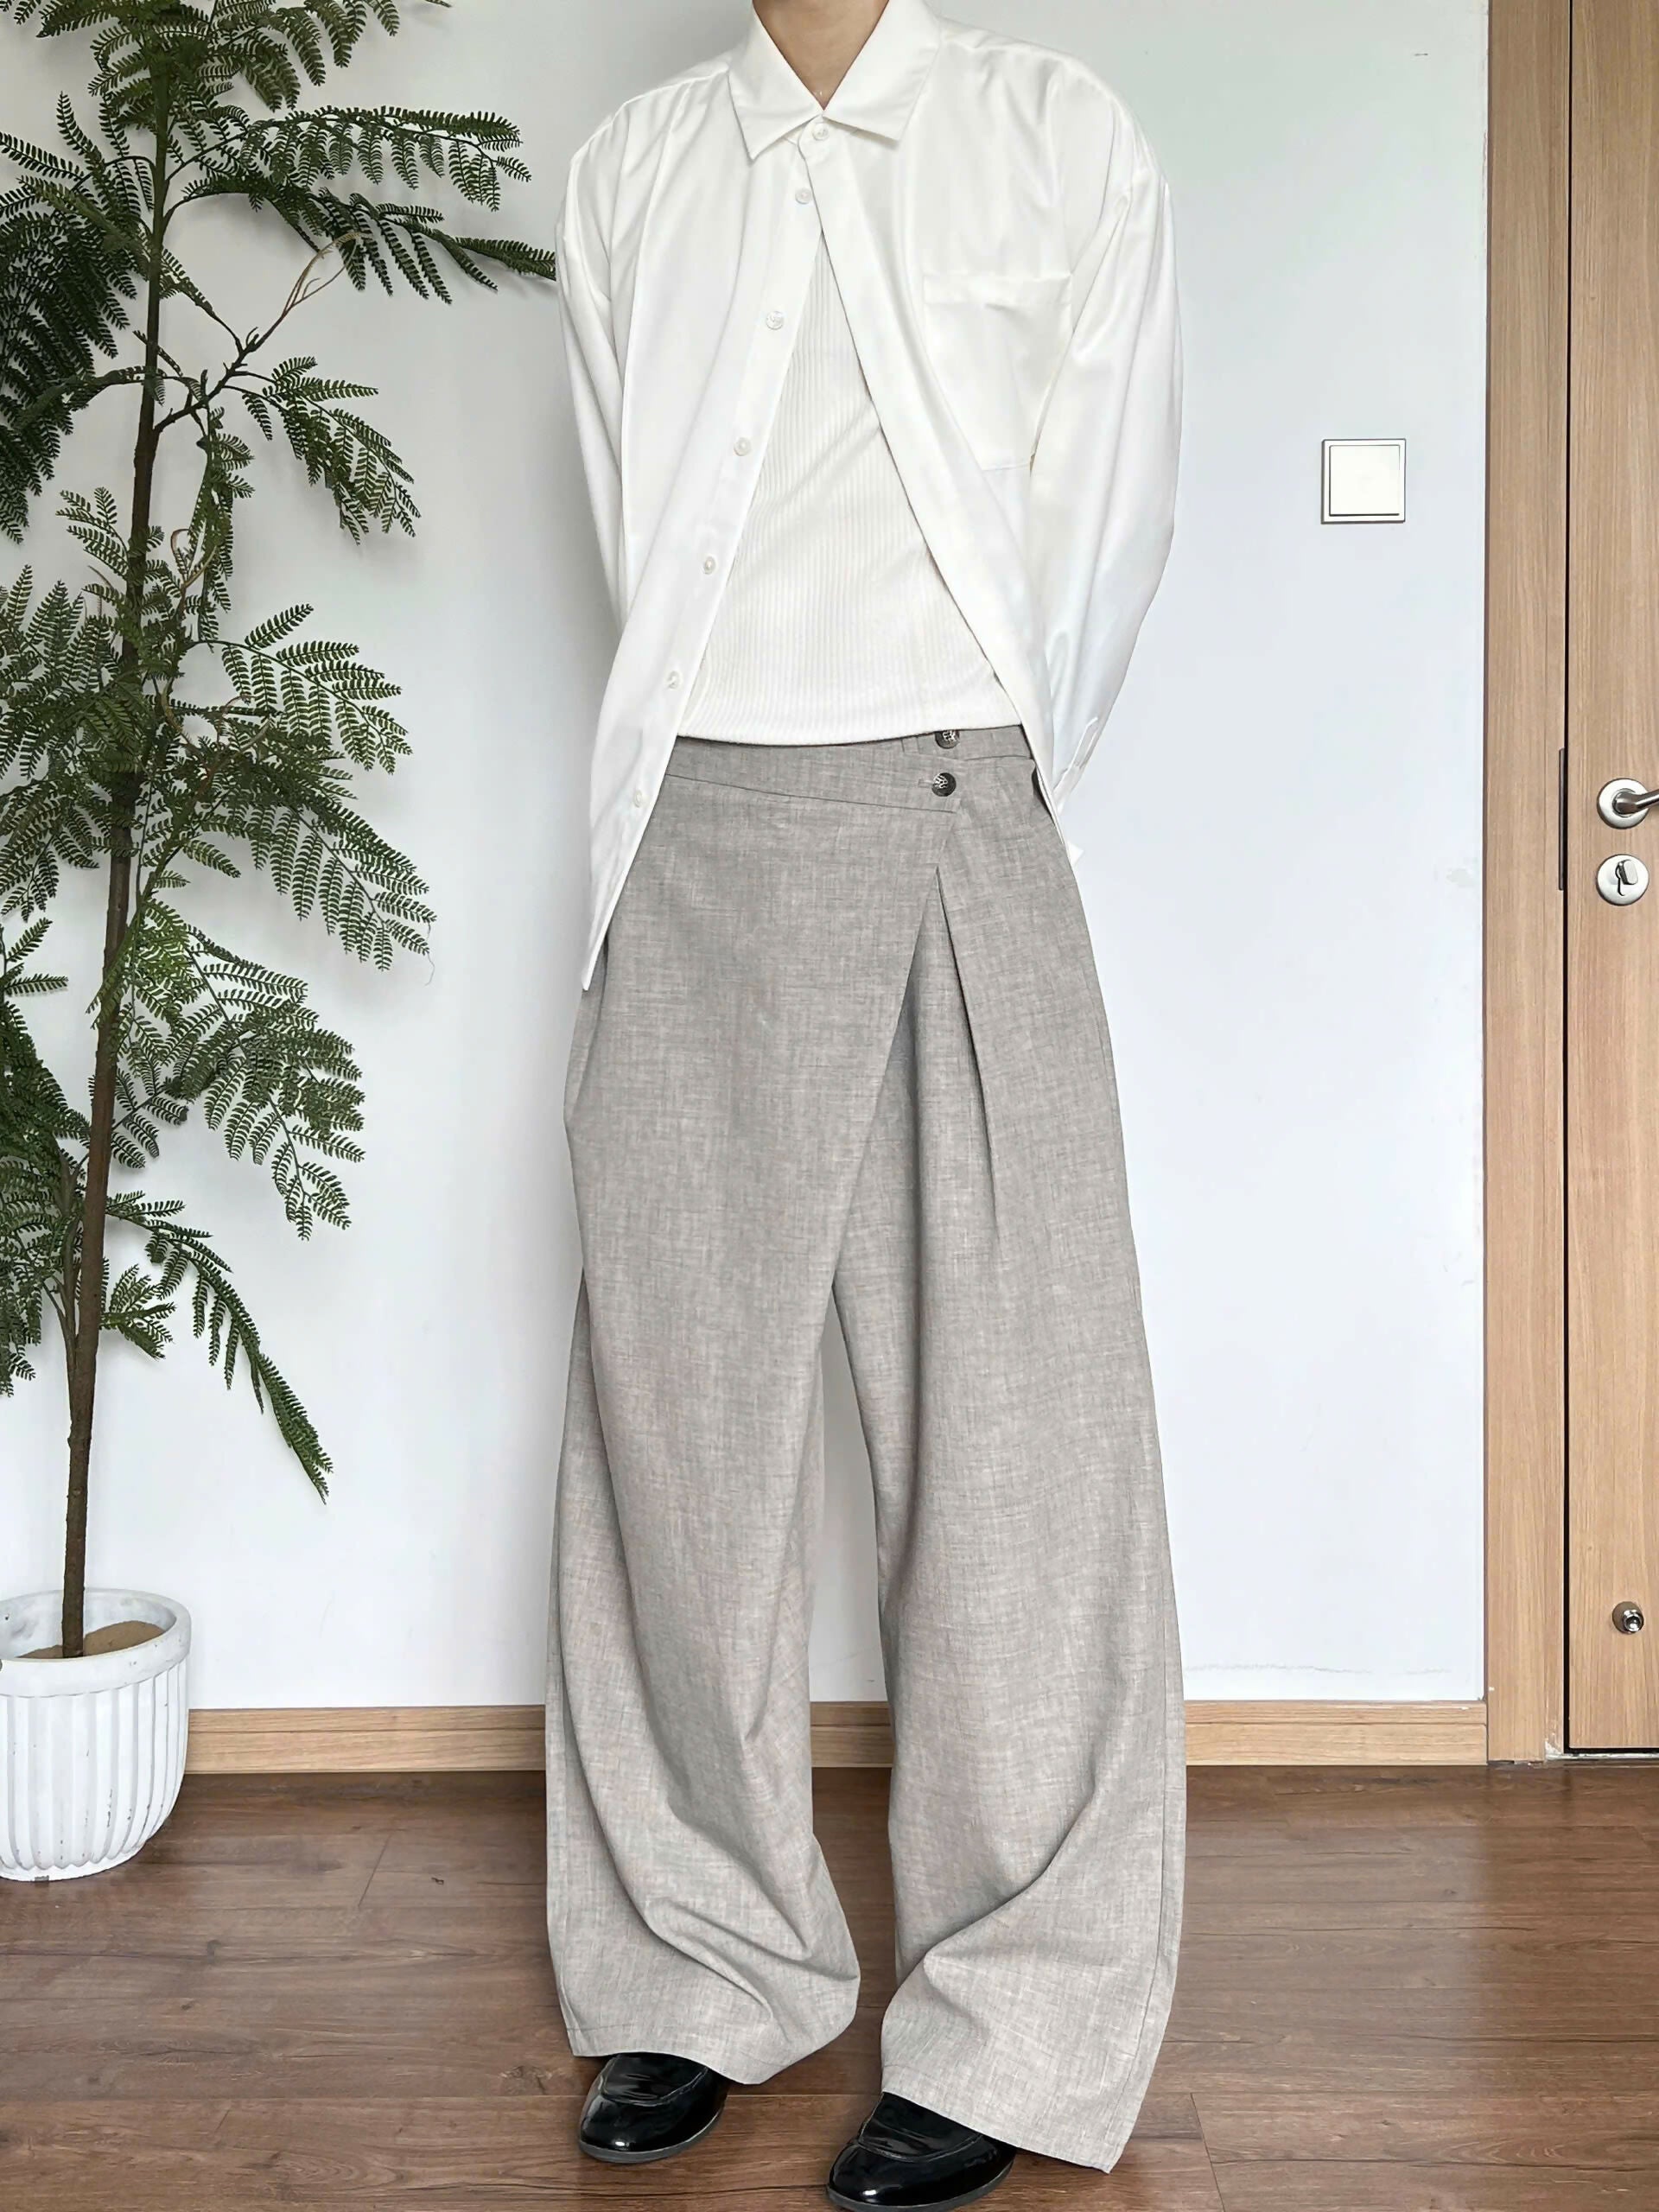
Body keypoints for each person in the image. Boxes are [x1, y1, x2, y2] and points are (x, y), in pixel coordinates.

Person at [547, 2, 1185, 2203]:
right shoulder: (635, 171)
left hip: (955, 789)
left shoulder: (1054, 132)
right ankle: (697, 1958)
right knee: (678, 1443)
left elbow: (1103, 530)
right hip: (694, 824)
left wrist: (966, 753)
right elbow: (640, 521)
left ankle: (1023, 2014)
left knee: (1019, 1441)